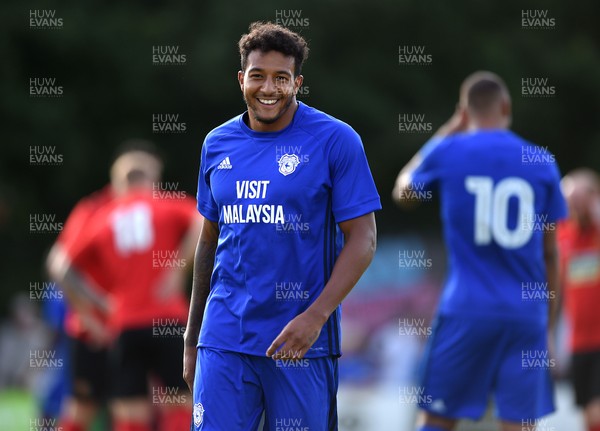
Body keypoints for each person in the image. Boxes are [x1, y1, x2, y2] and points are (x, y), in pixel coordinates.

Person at [183, 21, 381, 431]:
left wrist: (316, 317)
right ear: (241, 79)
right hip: (223, 339)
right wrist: (191, 340)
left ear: (298, 83)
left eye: (281, 78)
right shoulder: (216, 144)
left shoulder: (335, 140)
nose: (268, 88)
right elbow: (209, 242)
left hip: (299, 344)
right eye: (257, 76)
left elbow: (363, 239)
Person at [392, 71, 567, 431]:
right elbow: (551, 254)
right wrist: (546, 326)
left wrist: (444, 132)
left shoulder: (449, 150)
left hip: (466, 308)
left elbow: (404, 193)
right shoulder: (541, 161)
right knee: (518, 424)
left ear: (464, 112)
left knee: (437, 420)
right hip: (525, 314)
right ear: (506, 106)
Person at [54, 141, 202, 431]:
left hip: (123, 324)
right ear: (152, 177)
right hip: (168, 319)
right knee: (179, 405)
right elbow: (203, 220)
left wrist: (94, 306)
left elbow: (62, 266)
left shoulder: (102, 214)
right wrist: (177, 267)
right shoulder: (167, 203)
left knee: (129, 413)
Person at [558, 168, 600, 431]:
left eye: (581, 201)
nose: (575, 207)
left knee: (597, 411)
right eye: (570, 202)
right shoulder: (563, 236)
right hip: (577, 342)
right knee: (587, 414)